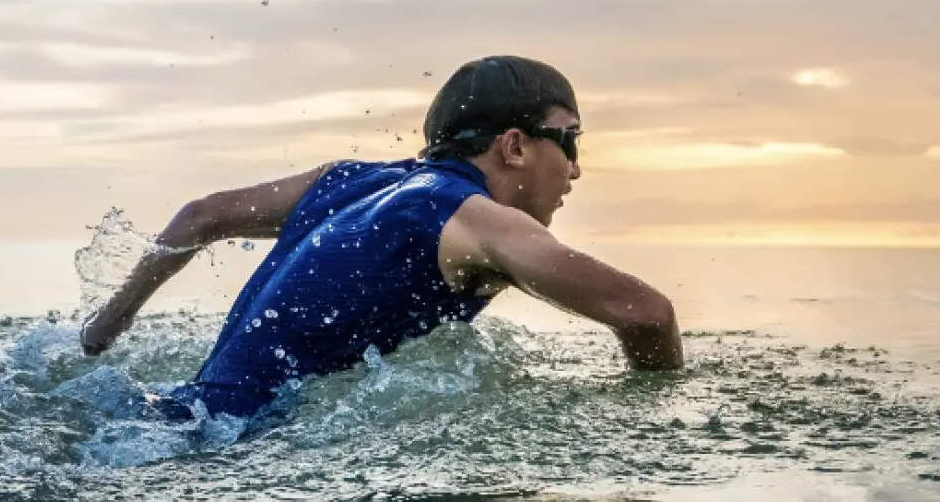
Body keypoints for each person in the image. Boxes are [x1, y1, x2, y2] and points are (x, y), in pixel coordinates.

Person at [79, 55, 684, 422]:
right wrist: (656, 414)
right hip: (232, 452)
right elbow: (648, 314)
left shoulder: (348, 181)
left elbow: (198, 216)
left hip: (173, 417)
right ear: (515, 145)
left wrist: (103, 329)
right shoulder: (477, 220)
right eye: (571, 140)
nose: (575, 169)